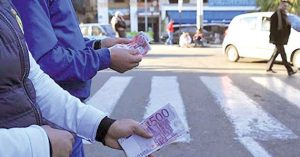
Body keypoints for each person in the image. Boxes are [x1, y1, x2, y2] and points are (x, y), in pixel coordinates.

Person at [0, 1, 153, 157]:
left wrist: (103, 128)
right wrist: (38, 144)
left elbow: (34, 80)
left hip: (60, 126)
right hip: (46, 134)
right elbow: (46, 61)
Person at [266, 0, 297, 76]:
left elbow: (285, 27)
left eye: (286, 6)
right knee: (283, 55)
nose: (285, 7)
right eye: (284, 6)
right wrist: (275, 38)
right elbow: (272, 29)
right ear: (280, 5)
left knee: (276, 53)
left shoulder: (284, 15)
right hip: (277, 38)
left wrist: (289, 24)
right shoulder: (275, 15)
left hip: (281, 38)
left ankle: (268, 67)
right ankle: (290, 70)